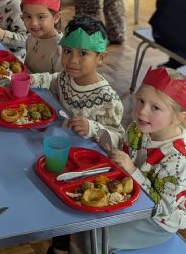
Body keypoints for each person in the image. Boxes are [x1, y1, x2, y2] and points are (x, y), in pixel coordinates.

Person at [71, 67, 186, 253]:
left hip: (157, 222)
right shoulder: (140, 127)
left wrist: (133, 171)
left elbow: (163, 208)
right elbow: (122, 145)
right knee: (80, 219)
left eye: (155, 107)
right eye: (141, 100)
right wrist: (94, 129)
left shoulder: (178, 158)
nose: (142, 111)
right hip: (133, 198)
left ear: (179, 118)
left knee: (93, 239)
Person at [41, 15, 124, 254]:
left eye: (83, 54)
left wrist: (93, 128)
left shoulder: (107, 98)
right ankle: (60, 244)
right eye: (67, 51)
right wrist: (29, 79)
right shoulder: (67, 77)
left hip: (92, 166)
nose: (72, 60)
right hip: (67, 153)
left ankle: (65, 245)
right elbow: (53, 80)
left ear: (101, 58)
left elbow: (118, 141)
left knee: (65, 197)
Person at [21, 0, 63, 77]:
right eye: (28, 16)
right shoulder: (31, 37)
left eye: (40, 17)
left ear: (56, 17)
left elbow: (60, 80)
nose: (33, 23)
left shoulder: (60, 49)